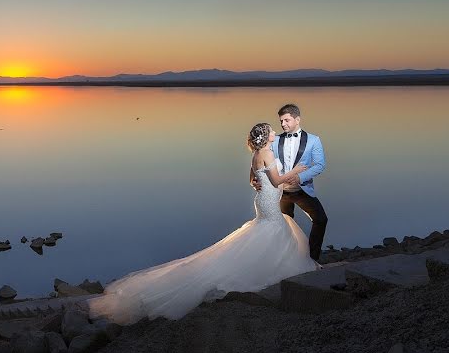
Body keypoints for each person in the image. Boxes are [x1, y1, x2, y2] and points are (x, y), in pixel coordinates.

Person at [88, 122, 320, 325]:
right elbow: (277, 179)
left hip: (263, 199)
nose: (273, 132)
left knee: (269, 230)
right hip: (269, 201)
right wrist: (296, 171)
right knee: (276, 229)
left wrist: (259, 185)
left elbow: (251, 179)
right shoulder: (267, 154)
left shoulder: (257, 154)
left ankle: (270, 263)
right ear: (265, 136)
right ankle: (272, 269)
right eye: (270, 131)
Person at [251, 103, 328, 262]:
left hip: (302, 190)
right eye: (281, 121)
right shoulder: (274, 139)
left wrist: (301, 177)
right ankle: (284, 262)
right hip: (278, 194)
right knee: (283, 227)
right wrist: (254, 180)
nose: (283, 124)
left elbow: (320, 165)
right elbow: (258, 160)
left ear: (297, 119)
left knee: (321, 219)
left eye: (286, 120)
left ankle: (312, 259)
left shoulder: (314, 140)